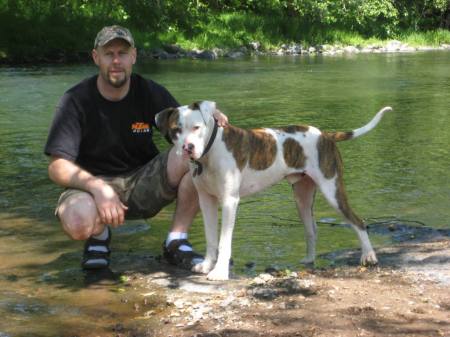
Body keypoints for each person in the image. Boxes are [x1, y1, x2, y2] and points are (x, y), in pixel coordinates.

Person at [44, 25, 228, 271]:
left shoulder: (149, 91)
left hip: (144, 184)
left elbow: (185, 123)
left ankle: (176, 241)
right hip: (92, 189)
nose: (116, 61)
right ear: (96, 57)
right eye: (109, 54)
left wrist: (207, 115)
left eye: (123, 53)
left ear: (134, 57)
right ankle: (98, 237)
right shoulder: (75, 101)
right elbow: (57, 167)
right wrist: (97, 187)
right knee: (77, 220)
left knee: (201, 151)